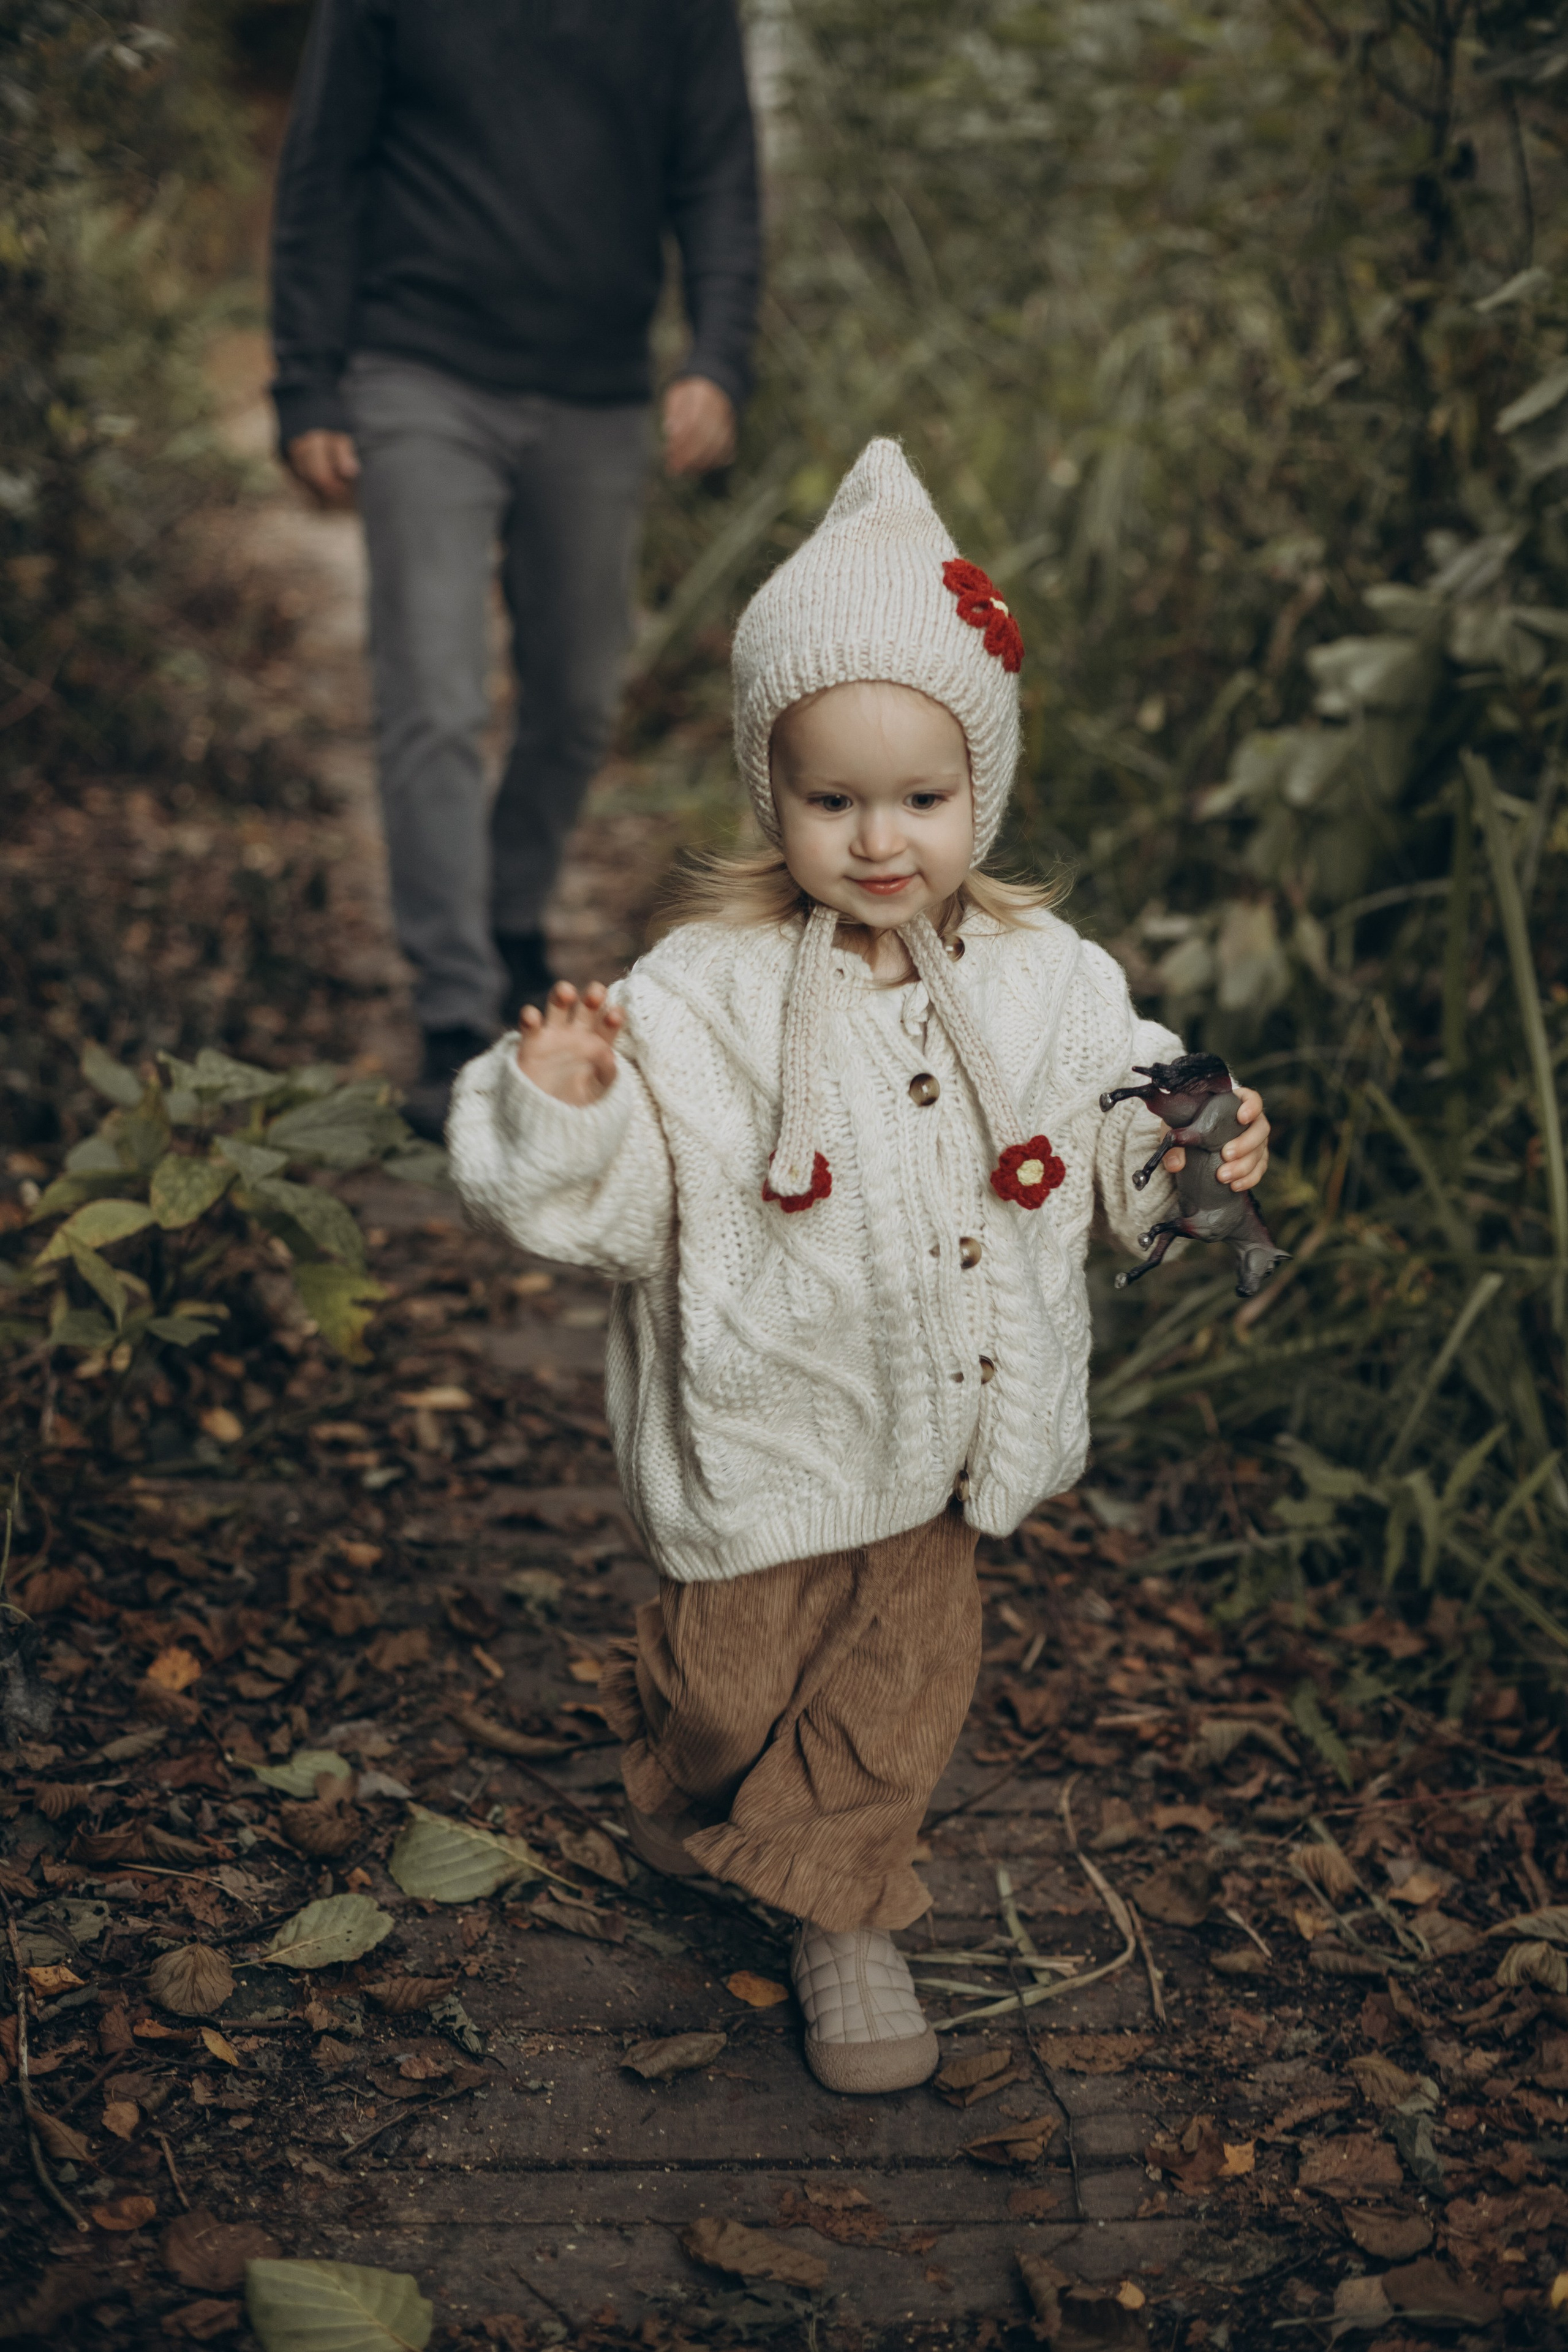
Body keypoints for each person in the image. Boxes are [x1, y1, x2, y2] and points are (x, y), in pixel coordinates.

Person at [448, 442, 1273, 2094]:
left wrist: (1191, 1144)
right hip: (764, 1429)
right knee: (720, 1694)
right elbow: (610, 1215)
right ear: (774, 791)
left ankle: (845, 1916)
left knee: (893, 1695)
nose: (881, 838)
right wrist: (568, 1108)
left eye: (924, 799)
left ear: (989, 789)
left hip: (946, 1442)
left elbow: (1118, 1119)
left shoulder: (1051, 980)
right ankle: (700, 1806)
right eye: (833, 799)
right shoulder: (705, 995)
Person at [268, 1, 761, 1137]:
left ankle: (509, 911)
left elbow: (719, 174)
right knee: (435, 694)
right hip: (418, 370)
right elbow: (324, 171)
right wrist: (307, 381)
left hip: (597, 387)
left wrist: (718, 357)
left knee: (580, 692)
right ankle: (452, 1006)